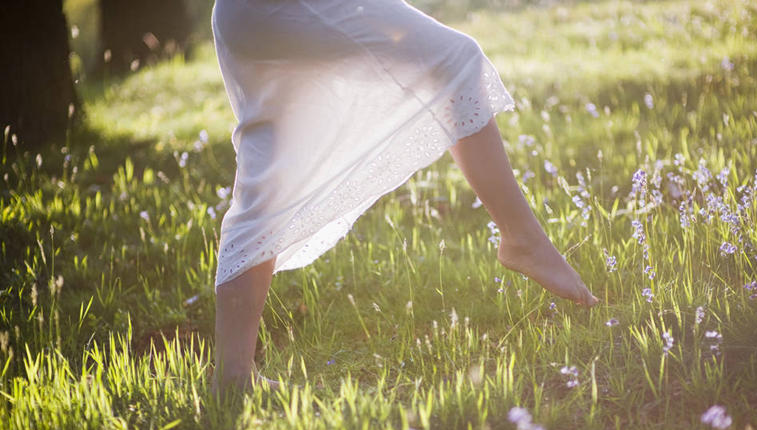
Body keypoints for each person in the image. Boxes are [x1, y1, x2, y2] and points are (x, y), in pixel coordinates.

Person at [210, 0, 598, 390]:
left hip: (238, 14)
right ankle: (522, 238)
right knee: (455, 61)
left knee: (265, 181)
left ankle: (233, 376)